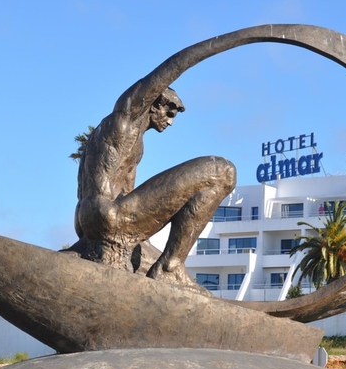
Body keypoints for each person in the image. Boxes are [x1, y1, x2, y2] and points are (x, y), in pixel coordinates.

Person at [67, 87, 236, 295]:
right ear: (154, 105)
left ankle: (167, 266)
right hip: (110, 220)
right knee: (223, 172)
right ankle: (170, 268)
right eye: (169, 113)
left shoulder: (136, 145)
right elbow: (153, 82)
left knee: (148, 255)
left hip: (100, 223)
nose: (170, 122)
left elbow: (127, 195)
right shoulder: (122, 123)